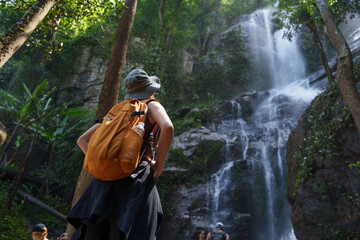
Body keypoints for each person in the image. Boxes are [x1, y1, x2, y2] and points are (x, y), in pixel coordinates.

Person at [67, 69, 174, 240]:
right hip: (135, 178)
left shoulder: (118, 110)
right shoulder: (152, 105)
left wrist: (104, 161)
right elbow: (168, 127)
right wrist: (159, 163)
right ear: (150, 90)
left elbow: (82, 140)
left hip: (103, 185)